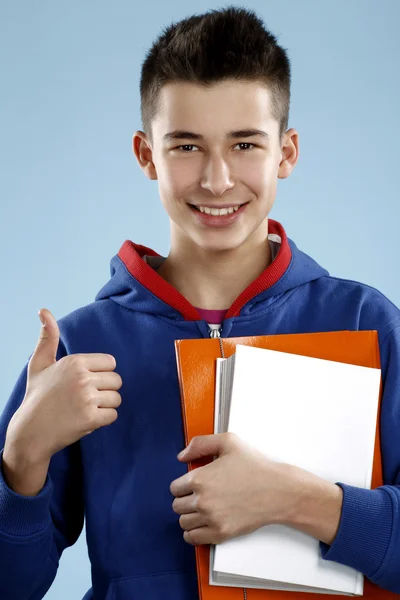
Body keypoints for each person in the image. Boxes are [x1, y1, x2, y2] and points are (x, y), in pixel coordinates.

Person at [0, 5, 399, 600]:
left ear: (286, 153)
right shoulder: (78, 350)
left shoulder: (366, 323)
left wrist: (296, 500)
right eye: (186, 146)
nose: (216, 179)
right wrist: (22, 457)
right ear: (145, 154)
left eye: (245, 144)